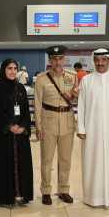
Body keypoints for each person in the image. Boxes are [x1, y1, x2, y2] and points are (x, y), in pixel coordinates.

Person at [76, 49, 109, 207]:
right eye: (97, 60)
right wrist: (81, 128)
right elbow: (81, 105)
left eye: (103, 60)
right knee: (91, 162)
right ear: (93, 61)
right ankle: (92, 198)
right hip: (92, 131)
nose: (100, 63)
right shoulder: (87, 80)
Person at [34, 45, 78, 205]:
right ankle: (46, 190)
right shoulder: (41, 79)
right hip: (48, 122)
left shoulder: (73, 77)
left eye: (60, 58)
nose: (57, 62)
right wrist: (38, 127)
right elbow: (38, 104)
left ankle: (63, 189)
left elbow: (77, 100)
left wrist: (74, 95)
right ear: (50, 60)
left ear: (64, 59)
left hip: (67, 121)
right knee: (47, 160)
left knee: (65, 159)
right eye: (54, 59)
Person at [0, 58, 33, 206]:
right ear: (3, 70)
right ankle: (3, 196)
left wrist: (24, 126)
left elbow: (26, 111)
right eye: (9, 68)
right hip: (3, 135)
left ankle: (21, 194)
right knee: (3, 164)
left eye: (14, 68)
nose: (12, 71)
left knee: (21, 164)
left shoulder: (21, 88)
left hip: (20, 135)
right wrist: (8, 126)